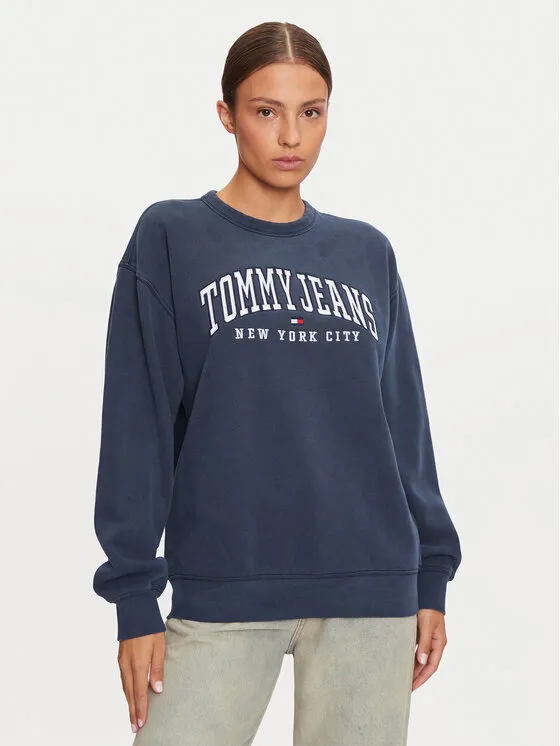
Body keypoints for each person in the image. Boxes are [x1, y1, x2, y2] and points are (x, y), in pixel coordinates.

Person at [92, 20, 462, 745]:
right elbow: (137, 426)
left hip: (370, 589)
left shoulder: (365, 252)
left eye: (311, 112)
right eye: (267, 111)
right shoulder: (171, 237)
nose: (292, 136)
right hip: (224, 585)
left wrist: (432, 574)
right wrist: (134, 596)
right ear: (227, 115)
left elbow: (404, 426)